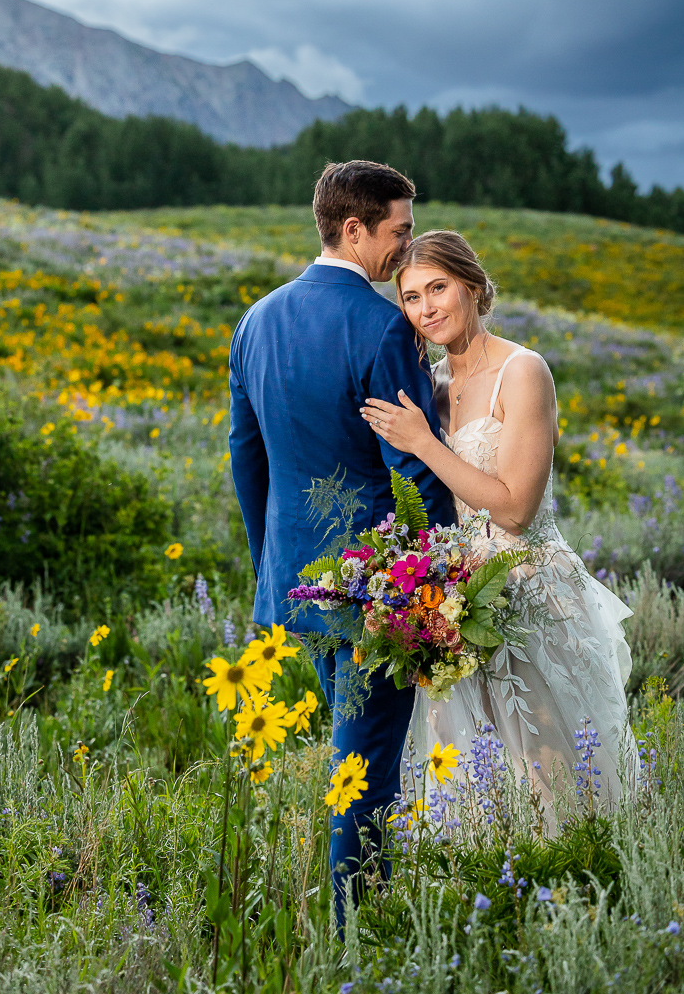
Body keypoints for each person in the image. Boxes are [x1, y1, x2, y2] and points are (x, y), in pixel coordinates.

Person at [228, 161, 455, 927]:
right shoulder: (381, 324)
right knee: (362, 767)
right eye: (398, 230)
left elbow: (245, 458)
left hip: (298, 585)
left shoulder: (254, 320)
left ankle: (364, 912)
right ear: (353, 228)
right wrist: (438, 583)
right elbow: (413, 470)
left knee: (357, 754)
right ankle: (356, 931)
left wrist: (274, 570)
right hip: (377, 596)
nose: (406, 246)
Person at [360, 230, 637, 812]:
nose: (427, 307)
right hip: (459, 608)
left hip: (531, 594)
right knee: (476, 785)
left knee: (560, 780)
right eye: (411, 298)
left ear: (474, 286)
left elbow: (515, 507)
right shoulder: (429, 387)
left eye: (439, 288)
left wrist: (425, 444)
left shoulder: (524, 371)